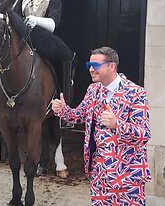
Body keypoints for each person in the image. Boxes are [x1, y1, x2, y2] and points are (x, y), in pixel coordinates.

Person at [51, 46, 151, 205]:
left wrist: (117, 125)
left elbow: (143, 134)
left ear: (112, 66)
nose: (91, 69)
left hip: (128, 177)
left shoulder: (136, 93)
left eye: (95, 66)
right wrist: (63, 110)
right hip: (100, 174)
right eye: (88, 65)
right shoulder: (93, 90)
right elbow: (78, 116)